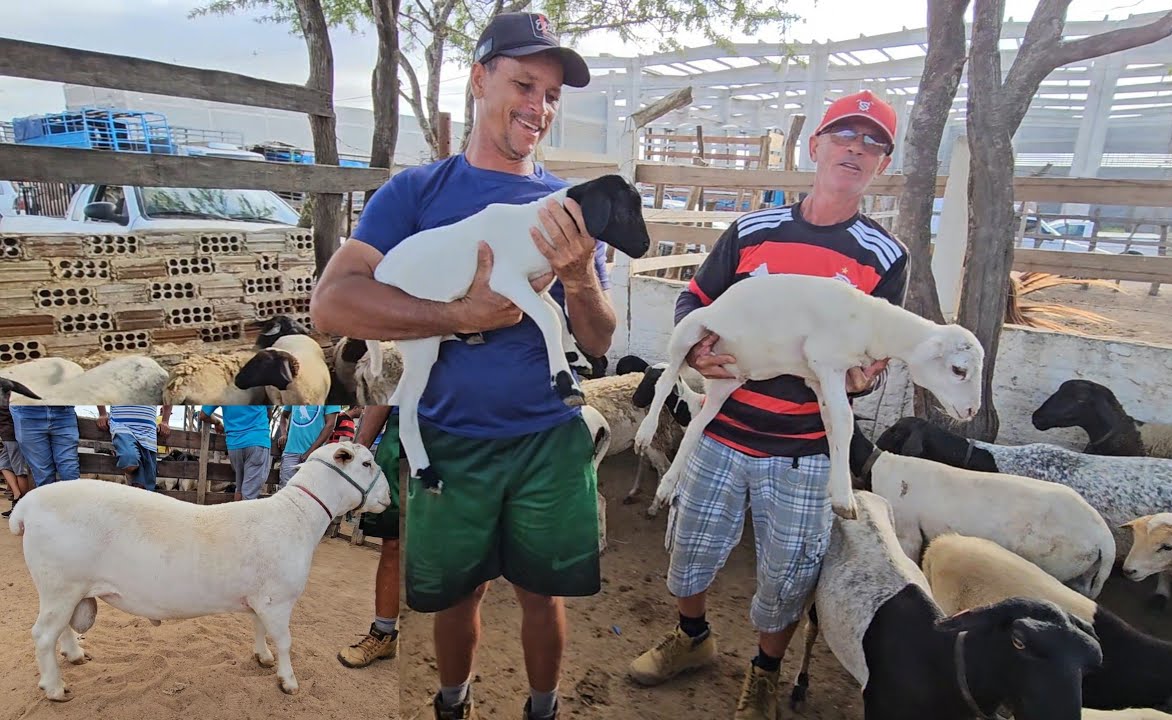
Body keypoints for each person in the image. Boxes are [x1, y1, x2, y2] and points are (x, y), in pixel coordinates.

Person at [309, 12, 607, 720]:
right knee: (456, 594)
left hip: (547, 440)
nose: (539, 107)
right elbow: (332, 305)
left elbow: (597, 341)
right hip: (449, 438)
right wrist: (457, 317)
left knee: (545, 594)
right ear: (479, 80)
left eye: (552, 96)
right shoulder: (417, 194)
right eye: (524, 84)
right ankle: (453, 702)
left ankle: (544, 706)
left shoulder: (567, 208)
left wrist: (584, 278)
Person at [627, 89, 911, 718]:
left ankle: (764, 672)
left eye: (873, 144)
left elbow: (876, 355)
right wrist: (698, 352)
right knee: (691, 547)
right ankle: (692, 638)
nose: (856, 151)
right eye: (845, 136)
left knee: (788, 572)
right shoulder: (753, 229)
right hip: (723, 428)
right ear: (815, 147)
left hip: (804, 449)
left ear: (882, 165)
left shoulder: (885, 257)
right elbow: (694, 299)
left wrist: (863, 378)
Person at [336, 405, 399, 670]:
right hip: (403, 438)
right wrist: (358, 451)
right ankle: (383, 634)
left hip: (461, 433)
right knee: (393, 542)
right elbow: (382, 396)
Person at [198, 405, 273, 501]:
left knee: (239, 490)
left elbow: (203, 415)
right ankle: (243, 515)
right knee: (249, 496)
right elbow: (268, 413)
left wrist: (217, 422)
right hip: (258, 441)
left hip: (234, 445)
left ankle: (236, 514)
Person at [97, 405, 171, 491]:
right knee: (129, 459)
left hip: (148, 432)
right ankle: (132, 485)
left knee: (146, 488)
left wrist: (165, 421)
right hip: (122, 425)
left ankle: (134, 490)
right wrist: (102, 414)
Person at [8, 405, 79, 487]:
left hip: (63, 409)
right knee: (43, 475)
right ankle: (50, 498)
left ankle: (71, 498)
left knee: (69, 471)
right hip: (26, 410)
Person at [275, 405, 341, 486]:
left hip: (315, 455)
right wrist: (284, 434)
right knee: (286, 489)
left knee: (310, 490)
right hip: (290, 451)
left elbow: (330, 425)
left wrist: (310, 452)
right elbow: (284, 415)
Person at [0, 404, 32, 518]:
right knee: (3, 464)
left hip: (14, 435)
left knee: (20, 471)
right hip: (7, 436)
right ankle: (17, 495)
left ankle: (20, 506)